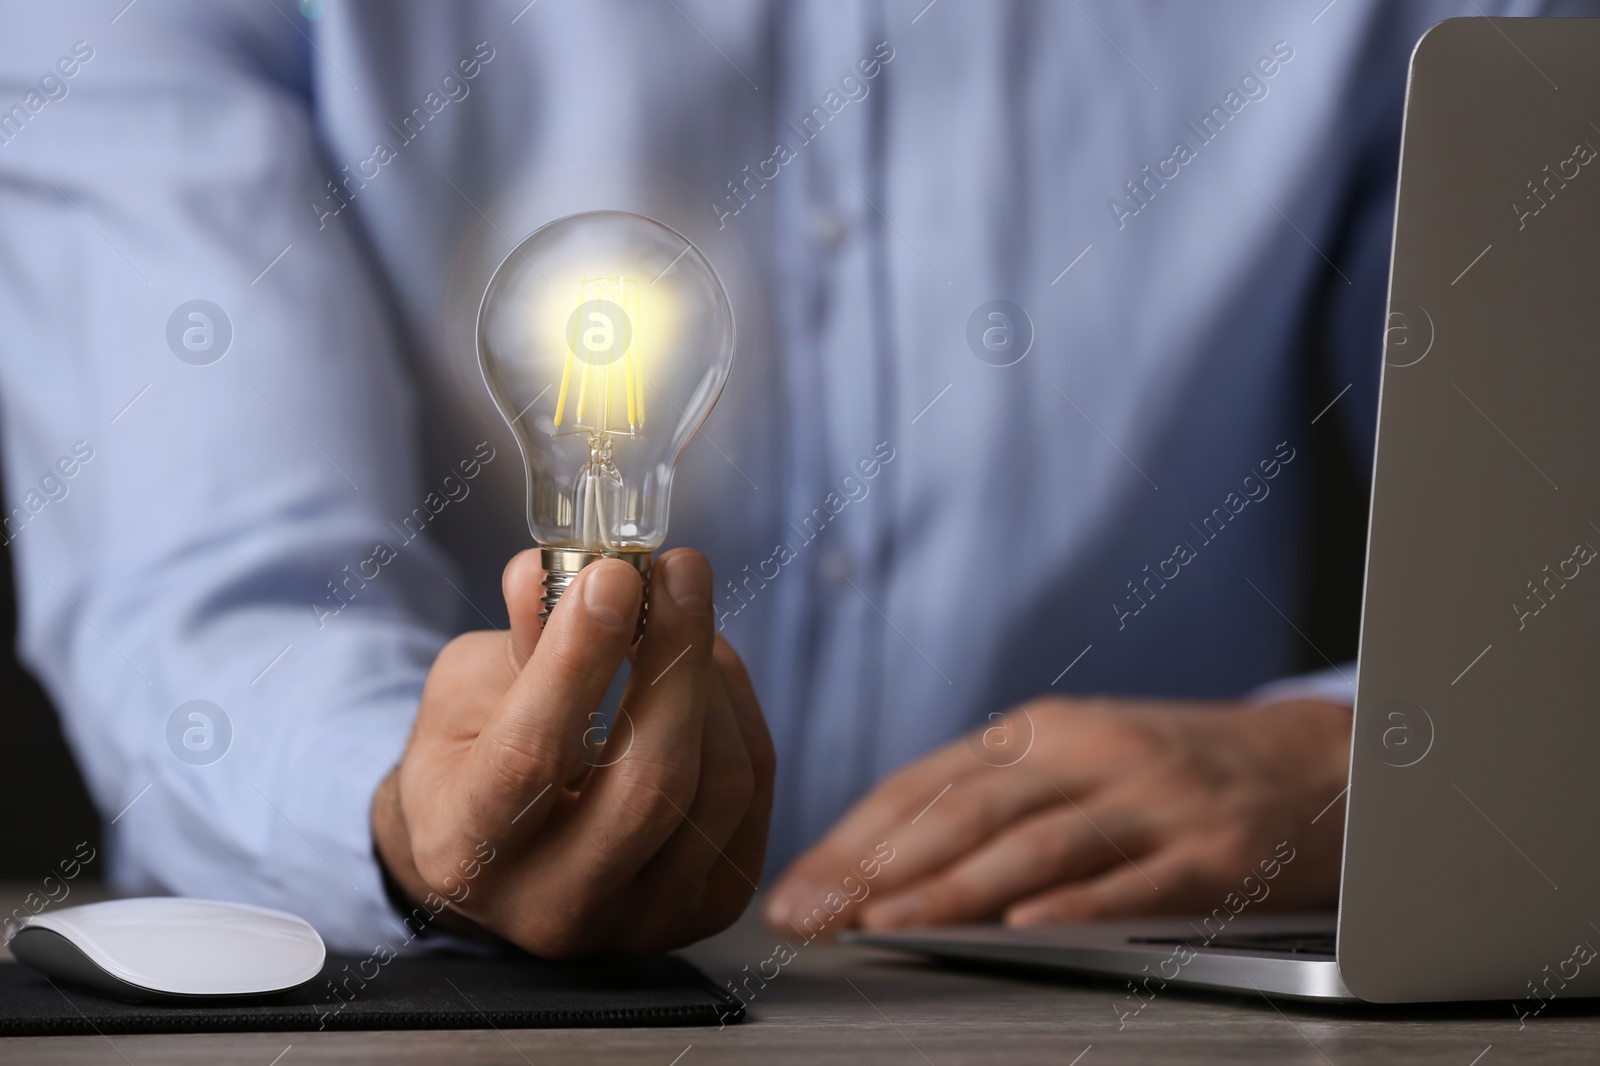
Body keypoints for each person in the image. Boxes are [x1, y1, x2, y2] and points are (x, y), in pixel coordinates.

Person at [0, 0, 1584, 957]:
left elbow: (1543, 541)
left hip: (1125, 994)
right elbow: (205, 591)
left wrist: (1363, 759)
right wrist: (412, 809)